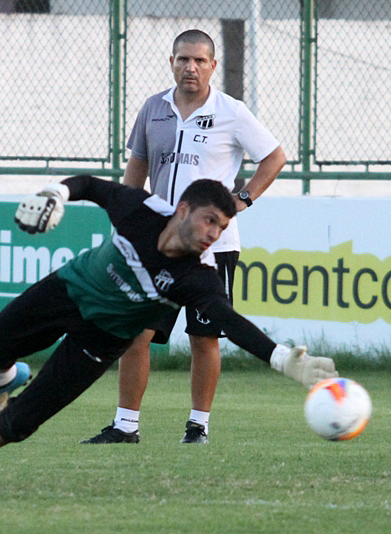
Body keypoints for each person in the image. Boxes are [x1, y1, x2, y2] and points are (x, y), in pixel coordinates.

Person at [0, 175, 337, 487]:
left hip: (101, 339)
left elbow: (228, 319)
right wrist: (56, 193)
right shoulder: (140, 209)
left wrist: (281, 359)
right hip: (70, 290)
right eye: (209, 220)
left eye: (222, 225)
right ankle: (3, 381)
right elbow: (90, 186)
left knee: (21, 424)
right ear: (182, 210)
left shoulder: (199, 277)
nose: (214, 233)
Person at [81, 29, 287, 445]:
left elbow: (275, 156)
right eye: (182, 60)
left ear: (212, 65)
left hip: (212, 248)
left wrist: (243, 199)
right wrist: (125, 220)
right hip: (157, 244)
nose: (190, 67)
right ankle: (125, 427)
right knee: (134, 331)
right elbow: (136, 168)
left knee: (204, 335)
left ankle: (198, 427)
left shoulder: (232, 111)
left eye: (198, 60)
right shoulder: (153, 109)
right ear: (171, 62)